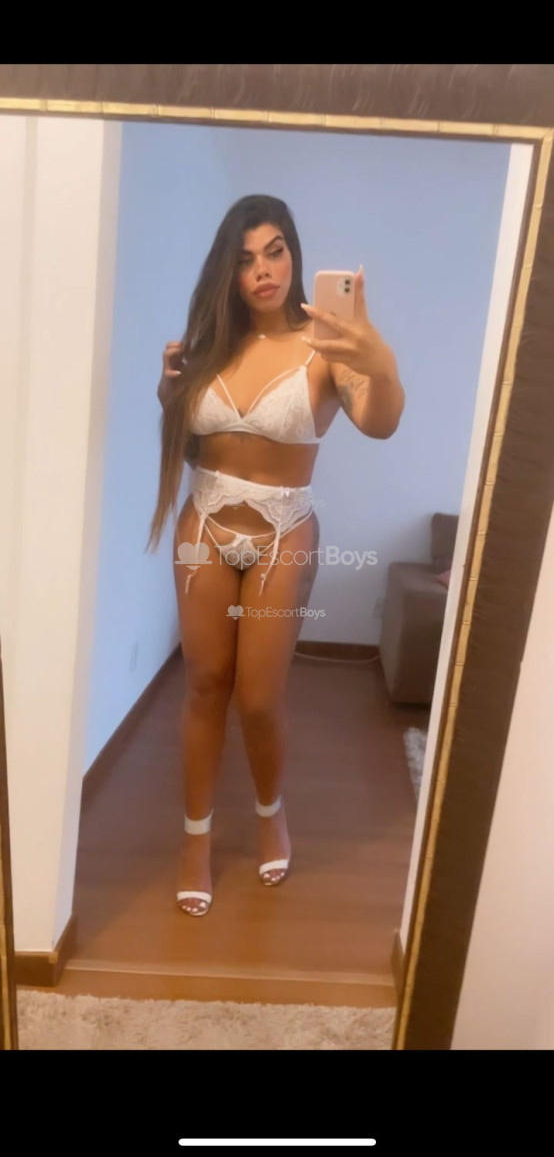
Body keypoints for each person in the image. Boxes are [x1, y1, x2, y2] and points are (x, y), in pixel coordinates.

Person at [147, 194, 405, 916]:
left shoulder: (327, 347)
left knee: (259, 698)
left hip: (284, 532)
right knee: (206, 684)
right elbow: (192, 439)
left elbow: (379, 422)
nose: (263, 270)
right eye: (245, 259)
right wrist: (168, 393)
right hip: (204, 522)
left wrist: (380, 366)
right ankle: (195, 839)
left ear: (294, 254)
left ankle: (270, 813)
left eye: (275, 252)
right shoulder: (212, 344)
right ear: (228, 273)